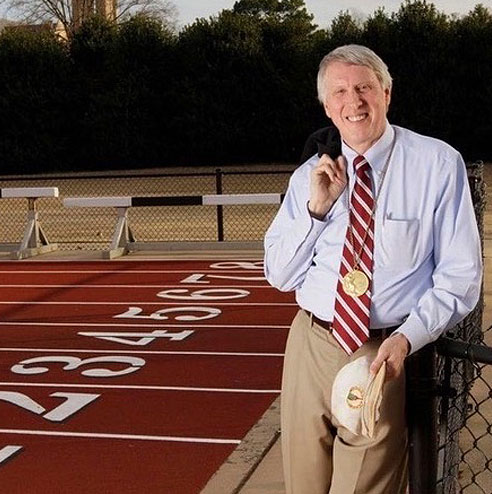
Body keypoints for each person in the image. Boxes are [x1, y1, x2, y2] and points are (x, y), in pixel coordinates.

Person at [263, 44, 482, 494]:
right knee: (302, 486)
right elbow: (278, 275)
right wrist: (315, 209)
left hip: (381, 352)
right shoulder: (312, 174)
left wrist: (408, 338)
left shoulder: (437, 165)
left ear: (386, 92)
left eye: (364, 87)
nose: (354, 101)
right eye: (340, 91)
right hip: (310, 342)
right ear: (327, 105)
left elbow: (461, 276)